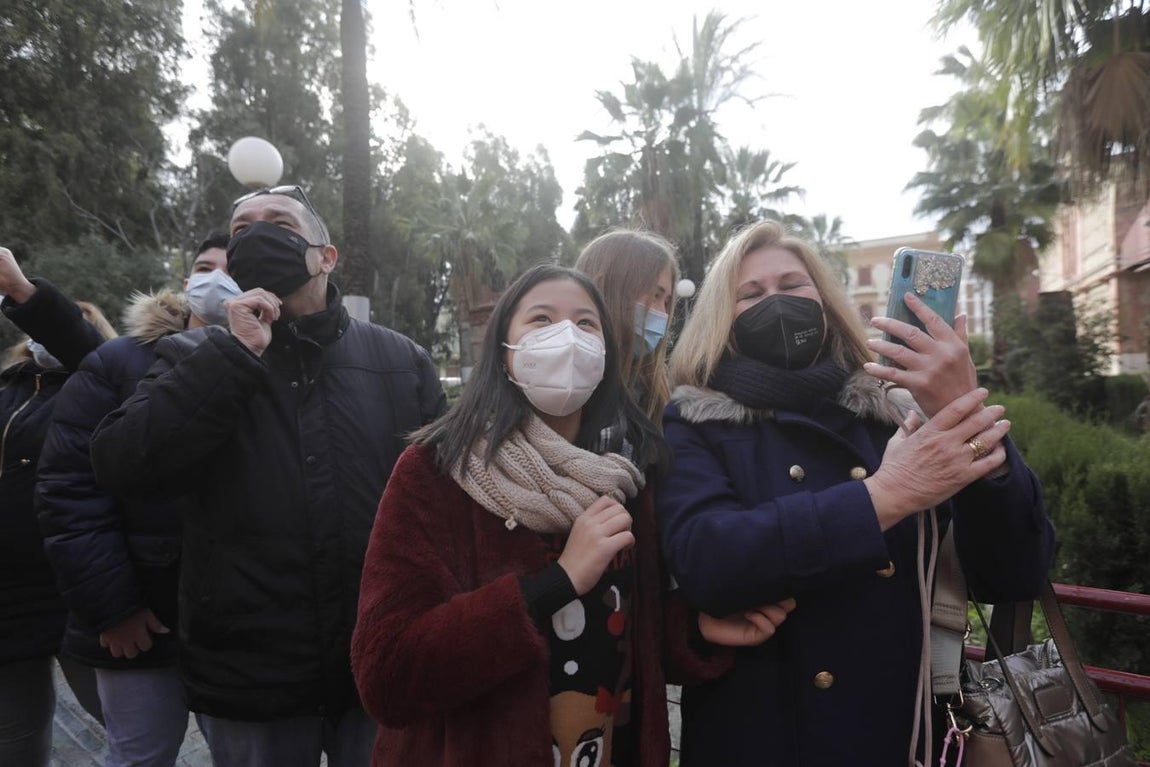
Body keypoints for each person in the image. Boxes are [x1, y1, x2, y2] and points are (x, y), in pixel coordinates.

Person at [656, 221, 1055, 766]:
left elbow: (1015, 571)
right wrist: (885, 495)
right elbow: (708, 559)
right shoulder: (694, 419)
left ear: (824, 298)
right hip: (761, 736)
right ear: (722, 319)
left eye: (793, 285)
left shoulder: (895, 409)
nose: (775, 302)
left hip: (901, 732)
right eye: (750, 294)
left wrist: (963, 410)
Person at [350, 264, 781, 767]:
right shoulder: (437, 471)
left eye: (585, 324)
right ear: (505, 355)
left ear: (604, 354)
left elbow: (627, 629)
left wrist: (697, 629)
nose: (567, 337)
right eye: (540, 319)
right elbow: (387, 673)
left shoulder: (627, 474)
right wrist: (557, 582)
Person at [90, 185, 446, 767]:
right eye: (240, 230)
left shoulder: (400, 360)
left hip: (381, 665)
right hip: (251, 677)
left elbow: (443, 499)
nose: (256, 235)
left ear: (325, 256)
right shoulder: (193, 355)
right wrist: (234, 355)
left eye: (277, 223)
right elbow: (122, 464)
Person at [36, 234, 237, 767]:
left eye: (229, 267)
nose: (212, 277)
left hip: (242, 626)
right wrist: (114, 607)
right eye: (202, 266)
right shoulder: (116, 364)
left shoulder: (275, 367)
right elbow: (70, 491)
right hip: (140, 623)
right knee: (139, 755)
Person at [1, 246, 116, 766]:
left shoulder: (102, 385)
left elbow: (85, 346)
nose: (40, 340)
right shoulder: (7, 387)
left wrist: (25, 291)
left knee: (131, 728)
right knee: (16, 743)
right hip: (10, 597)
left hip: (76, 589)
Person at [574, 229, 679, 425]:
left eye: (667, 302)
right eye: (656, 295)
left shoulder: (655, 397)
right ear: (600, 288)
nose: (663, 314)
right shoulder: (561, 390)